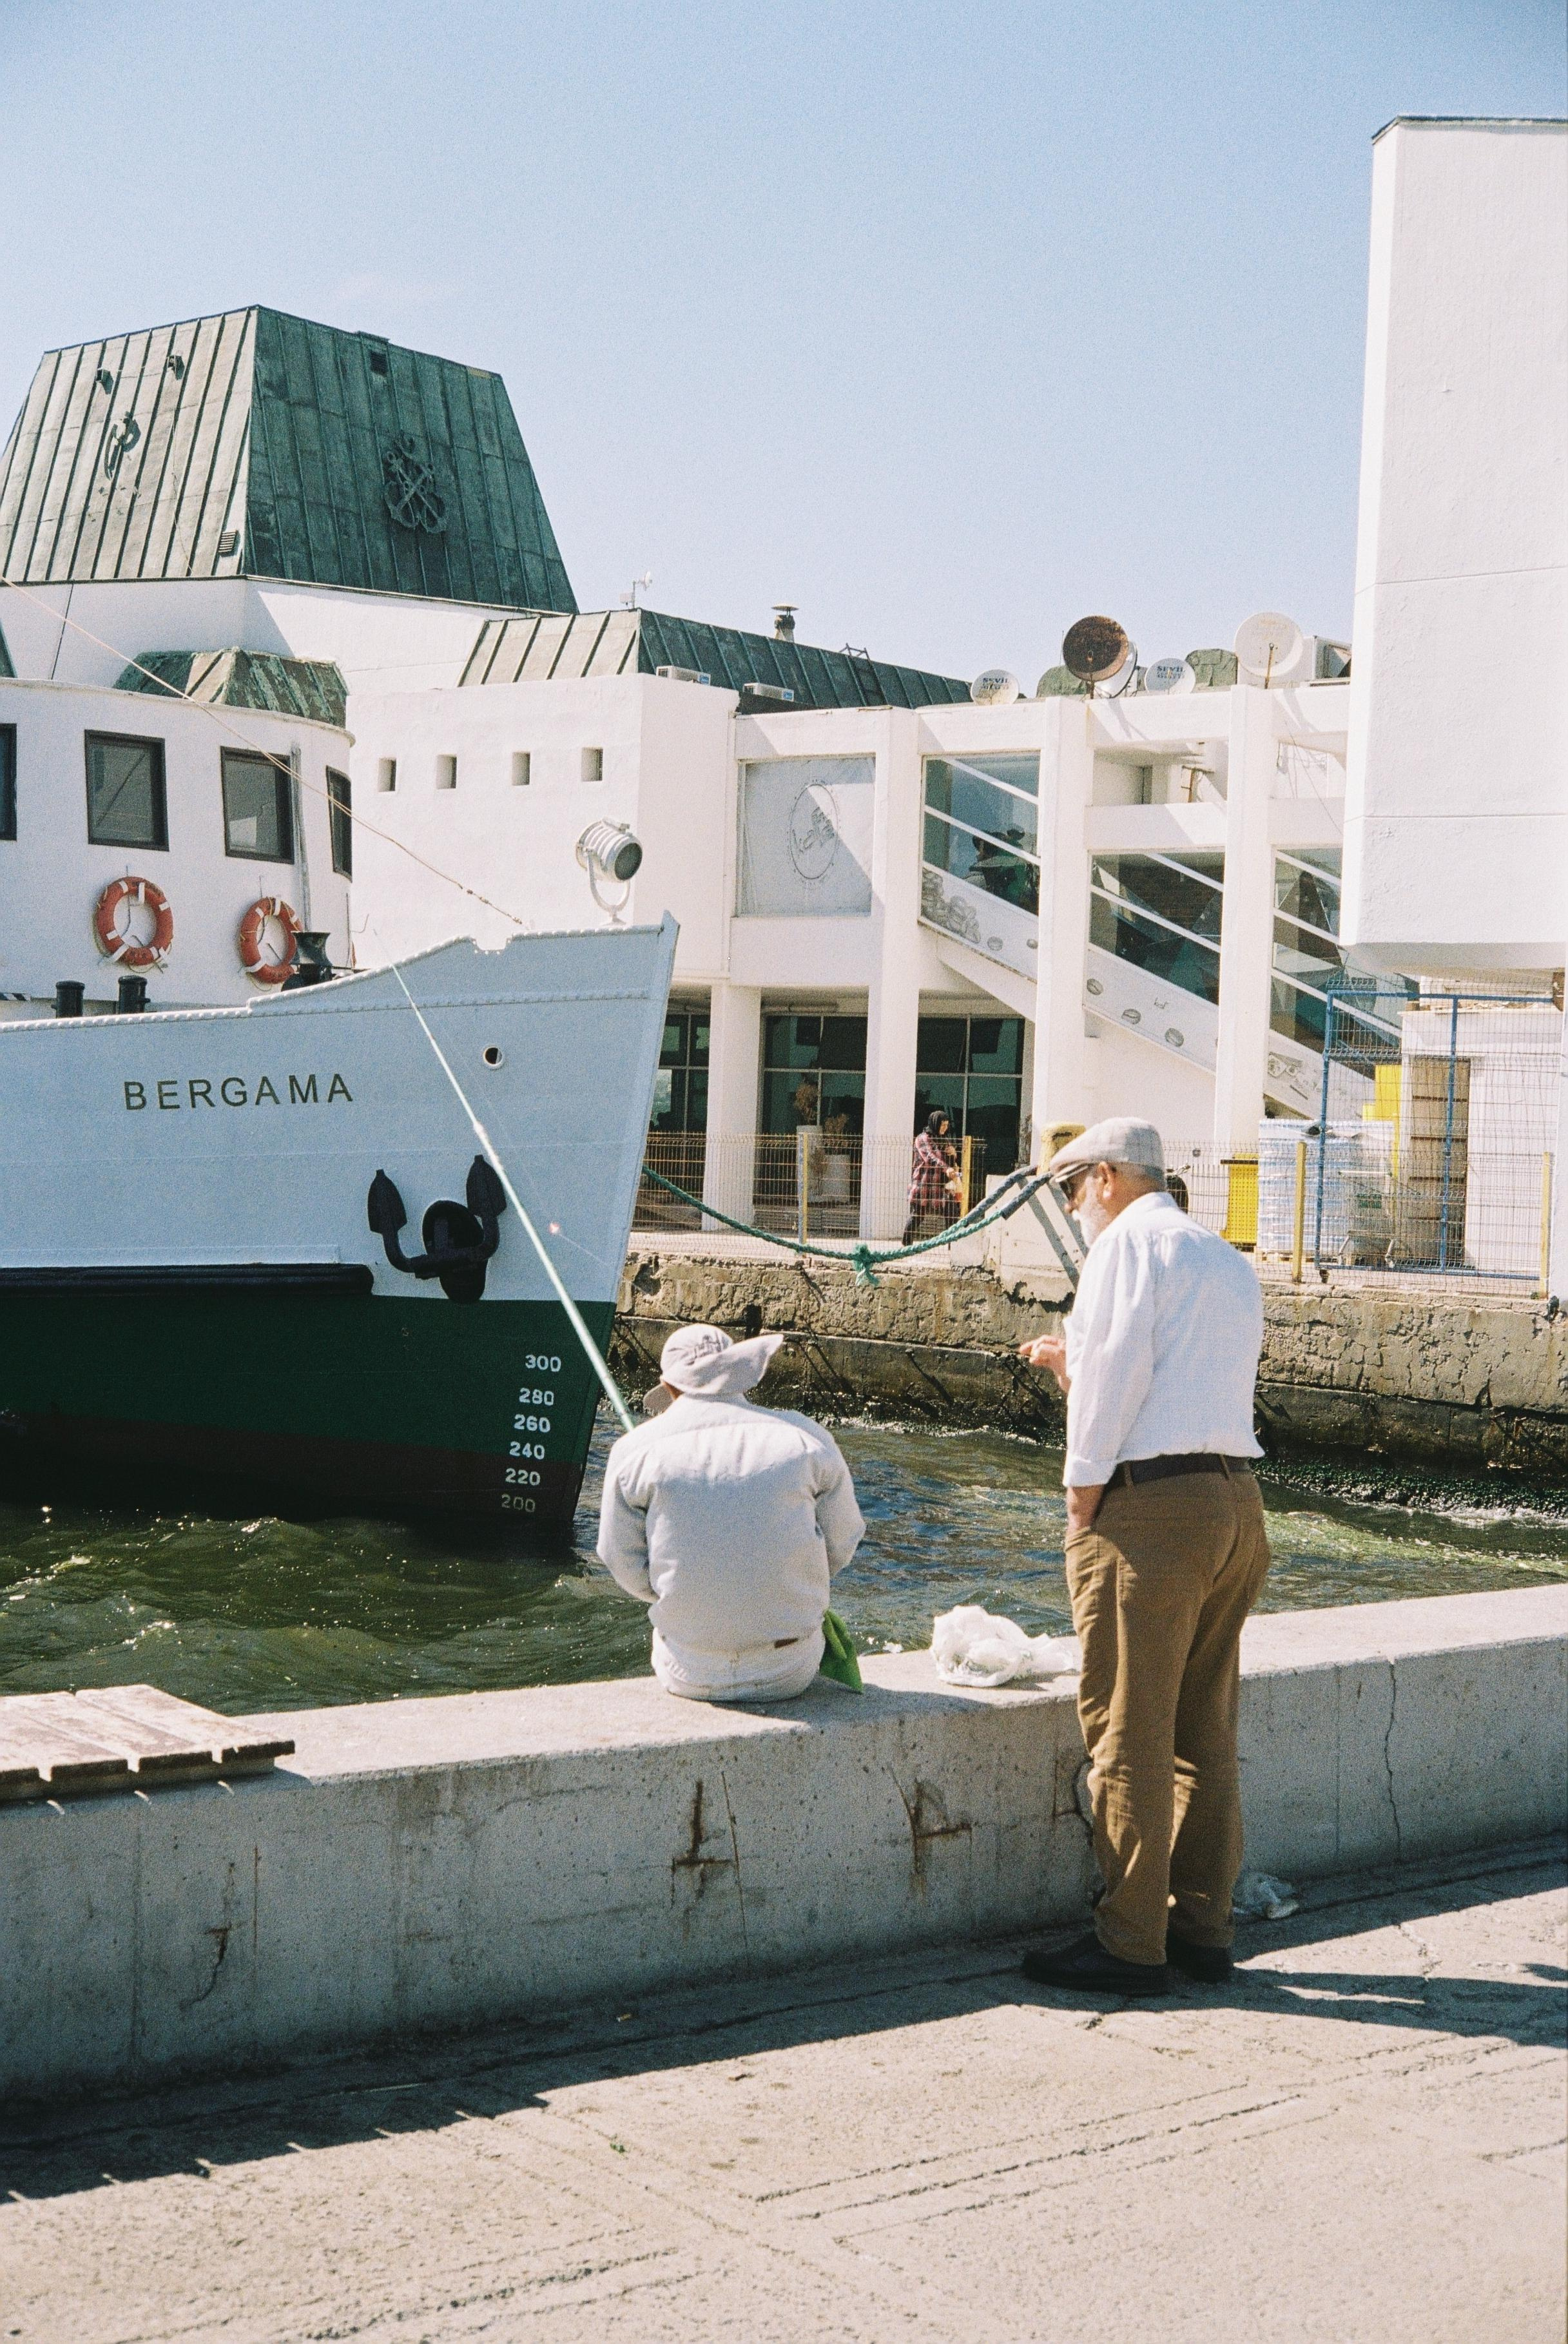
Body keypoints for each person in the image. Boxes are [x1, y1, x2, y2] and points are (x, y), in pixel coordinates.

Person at [1015, 1116, 1268, 1998]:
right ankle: (1204, 1928)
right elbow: (1179, 1382)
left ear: (1111, 1177)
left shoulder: (1127, 1247)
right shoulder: (1223, 1256)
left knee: (1128, 1728)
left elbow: (1120, 1374)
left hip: (1151, 1511)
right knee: (1206, 1730)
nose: (1074, 1205)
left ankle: (1129, 1941)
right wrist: (1068, 1368)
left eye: (1073, 1185)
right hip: (1234, 1501)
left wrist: (1082, 1493)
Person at [597, 1323, 866, 1701]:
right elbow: (844, 1539)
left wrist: (679, 1590)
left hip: (688, 1670)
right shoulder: (806, 1437)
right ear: (737, 1375)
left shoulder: (633, 1451)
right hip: (788, 1669)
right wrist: (793, 1577)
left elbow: (618, 1558)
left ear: (670, 1388)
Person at [902, 1109, 962, 1245]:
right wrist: (946, 1168)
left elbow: (951, 1161)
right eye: (943, 1125)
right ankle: (906, 1244)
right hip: (924, 1183)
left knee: (951, 1214)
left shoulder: (944, 1139)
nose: (945, 1128)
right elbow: (930, 1157)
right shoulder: (922, 1139)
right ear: (935, 1124)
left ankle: (953, 1245)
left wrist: (954, 1153)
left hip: (941, 1185)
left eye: (947, 1126)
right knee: (918, 1215)